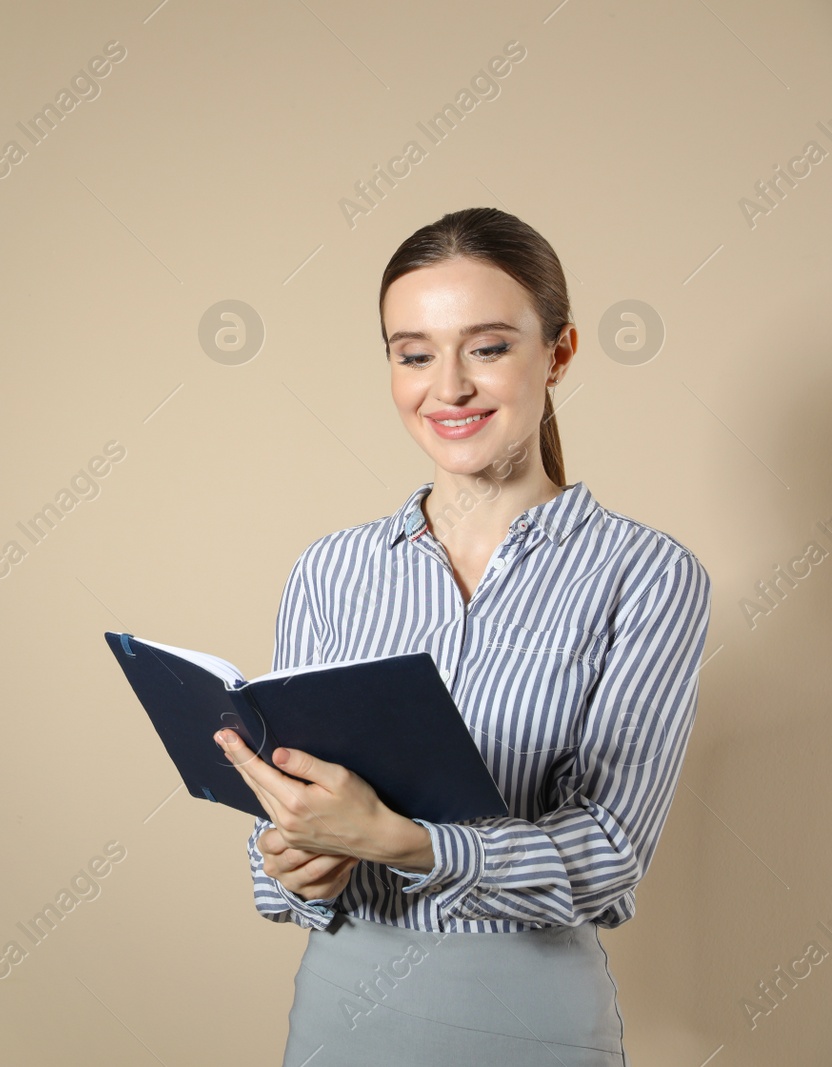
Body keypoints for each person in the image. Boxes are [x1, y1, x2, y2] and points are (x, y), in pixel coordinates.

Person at [215, 207, 713, 1065]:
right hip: (338, 1020)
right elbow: (285, 834)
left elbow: (609, 855)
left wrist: (407, 844)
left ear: (558, 353)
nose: (447, 387)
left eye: (487, 347)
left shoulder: (648, 574)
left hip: (531, 1025)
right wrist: (289, 859)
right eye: (414, 354)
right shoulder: (330, 570)